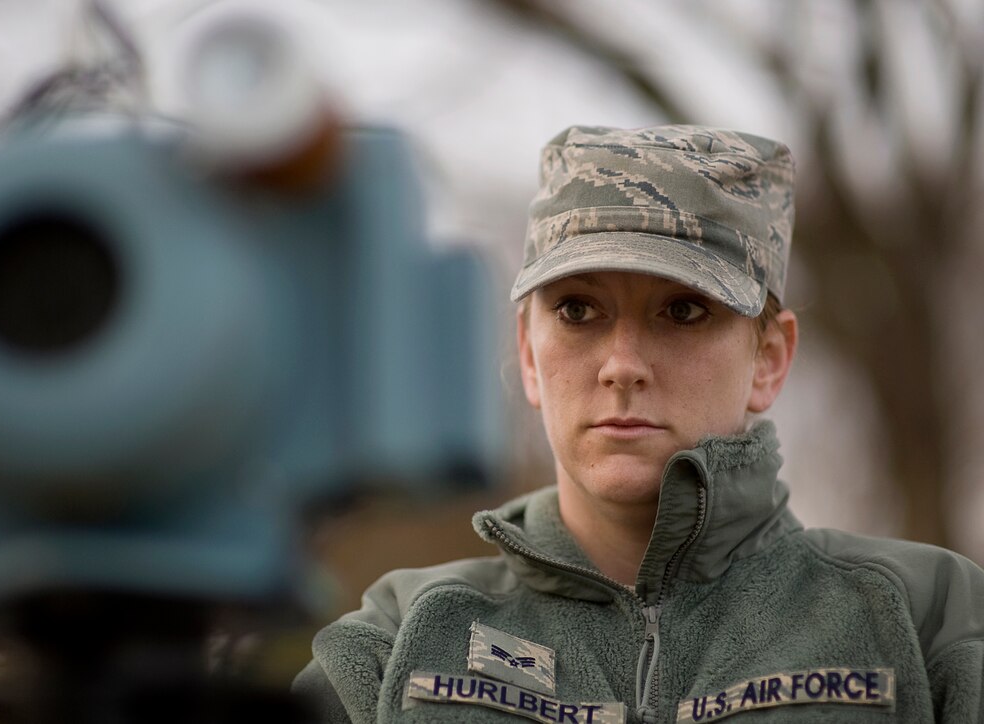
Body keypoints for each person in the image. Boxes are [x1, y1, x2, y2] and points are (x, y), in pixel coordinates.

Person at [293, 125, 984, 723]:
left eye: (682, 311)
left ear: (769, 359)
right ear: (528, 355)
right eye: (577, 310)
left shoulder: (925, 623)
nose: (622, 365)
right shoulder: (400, 642)